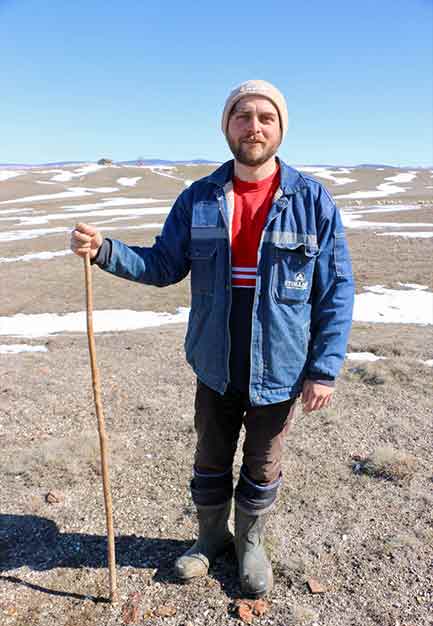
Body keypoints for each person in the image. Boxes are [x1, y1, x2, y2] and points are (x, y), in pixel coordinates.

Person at [71, 80, 354, 599]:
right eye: (242, 116)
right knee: (210, 455)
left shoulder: (313, 202)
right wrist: (106, 250)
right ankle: (209, 539)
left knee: (264, 461)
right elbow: (162, 264)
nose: (254, 127)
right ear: (226, 126)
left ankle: (251, 544)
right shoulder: (199, 199)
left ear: (280, 129)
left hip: (283, 365)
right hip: (215, 361)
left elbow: (336, 291)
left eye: (265, 118)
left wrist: (324, 367)